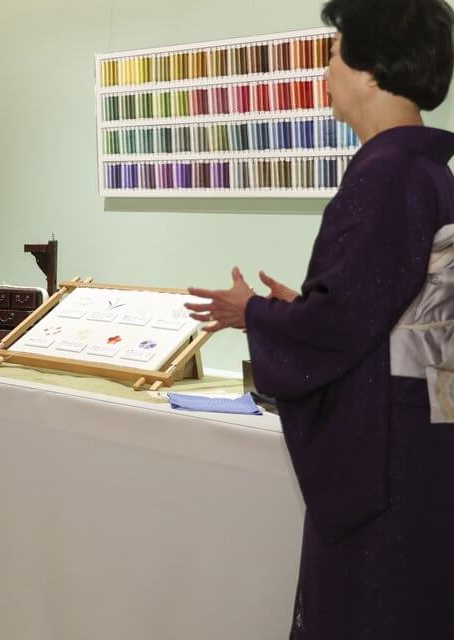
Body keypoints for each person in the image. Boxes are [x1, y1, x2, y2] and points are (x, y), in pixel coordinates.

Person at [185, 1, 454, 636]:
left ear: (369, 68)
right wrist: (299, 311)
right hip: (428, 424)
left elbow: (341, 324)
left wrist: (251, 312)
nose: (325, 69)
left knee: (371, 605)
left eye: (333, 52)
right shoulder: (430, 173)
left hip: (383, 448)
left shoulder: (385, 175)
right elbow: (380, 309)